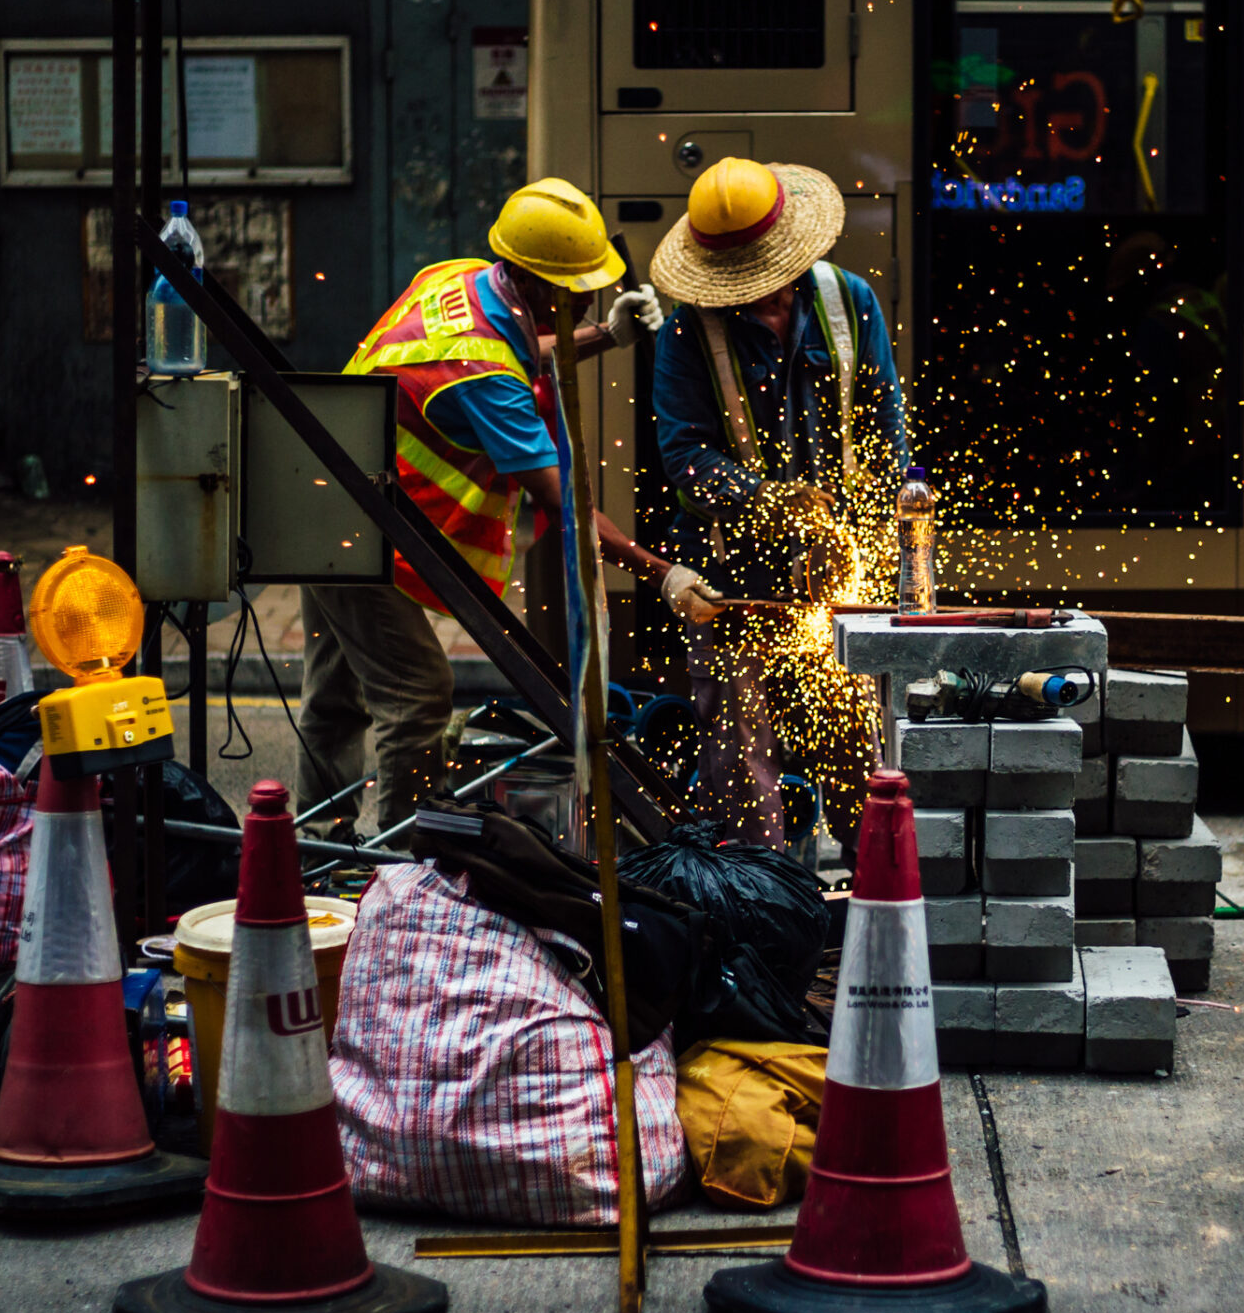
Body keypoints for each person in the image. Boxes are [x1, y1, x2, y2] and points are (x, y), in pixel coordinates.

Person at [296, 177, 673, 845]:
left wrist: (603, 336)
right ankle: (408, 861)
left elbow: (520, 347)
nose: (590, 296)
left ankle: (319, 840)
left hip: (325, 496)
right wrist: (658, 571)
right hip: (361, 524)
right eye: (578, 289)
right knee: (416, 697)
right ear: (532, 285)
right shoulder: (482, 376)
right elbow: (566, 505)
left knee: (336, 693)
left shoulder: (464, 278)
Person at [646, 157, 909, 851]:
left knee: (862, 753)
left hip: (840, 577)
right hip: (729, 581)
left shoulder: (850, 304)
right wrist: (768, 502)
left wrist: (874, 546)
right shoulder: (683, 337)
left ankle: (873, 903)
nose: (756, 298)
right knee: (742, 769)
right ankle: (763, 915)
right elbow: (686, 460)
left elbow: (885, 433)